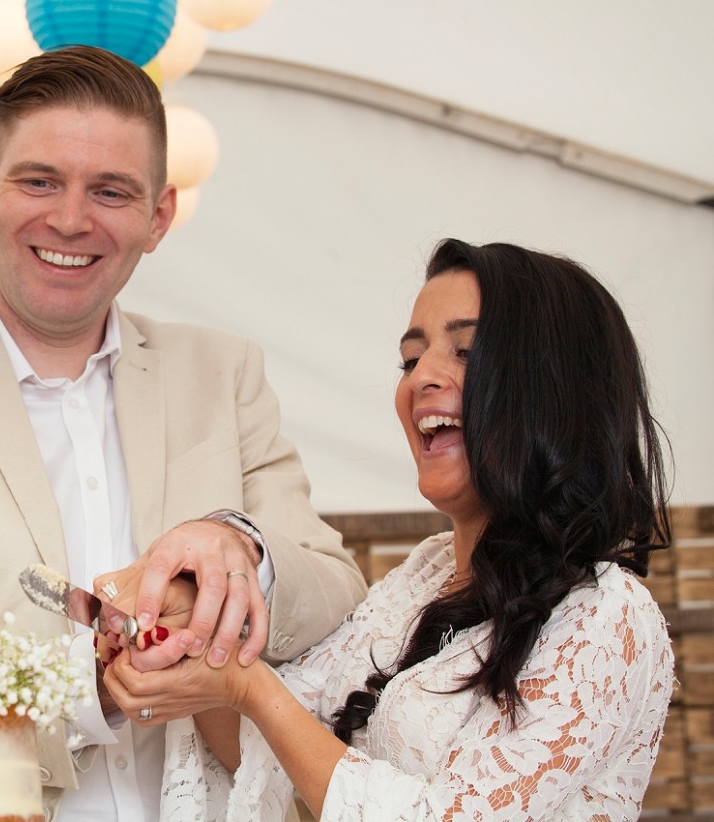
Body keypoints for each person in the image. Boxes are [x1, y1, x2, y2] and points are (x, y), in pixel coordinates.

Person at [0, 45, 367, 821]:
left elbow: (334, 589)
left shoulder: (223, 372)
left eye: (111, 191)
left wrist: (240, 555)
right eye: (39, 180)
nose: (69, 218)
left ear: (158, 217)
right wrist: (83, 689)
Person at [103, 239, 676, 821]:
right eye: (410, 359)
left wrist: (252, 691)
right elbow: (276, 760)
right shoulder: (424, 576)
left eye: (467, 352)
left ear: (553, 389)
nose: (420, 378)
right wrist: (193, 642)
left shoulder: (607, 613)